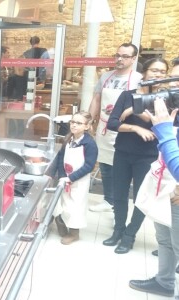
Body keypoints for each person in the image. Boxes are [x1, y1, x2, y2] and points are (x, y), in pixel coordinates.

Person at [103, 57, 168, 254]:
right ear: (144, 73)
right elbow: (112, 123)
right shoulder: (127, 95)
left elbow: (164, 127)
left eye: (162, 71)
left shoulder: (167, 98)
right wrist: (134, 128)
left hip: (147, 156)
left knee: (140, 198)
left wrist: (135, 110)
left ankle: (130, 235)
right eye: (154, 70)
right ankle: (118, 230)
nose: (158, 74)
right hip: (122, 152)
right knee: (119, 195)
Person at [129, 59, 179, 297]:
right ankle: (165, 281)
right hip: (168, 184)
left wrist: (165, 132)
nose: (172, 87)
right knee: (165, 238)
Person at [88, 43, 143, 212]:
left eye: (125, 56)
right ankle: (108, 199)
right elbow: (97, 99)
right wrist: (89, 120)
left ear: (133, 59)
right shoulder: (106, 77)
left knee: (122, 168)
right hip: (105, 126)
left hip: (125, 129)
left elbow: (142, 104)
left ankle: (121, 204)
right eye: (117, 55)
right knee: (104, 165)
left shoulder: (138, 79)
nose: (119, 59)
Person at [54, 111, 98, 245]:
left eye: (78, 123)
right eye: (72, 122)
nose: (73, 125)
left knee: (76, 206)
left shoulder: (89, 144)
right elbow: (61, 157)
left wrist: (72, 178)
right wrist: (62, 175)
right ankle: (61, 222)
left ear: (87, 126)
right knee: (63, 203)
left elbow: (89, 166)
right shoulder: (68, 138)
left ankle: (74, 233)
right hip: (65, 178)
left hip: (79, 180)